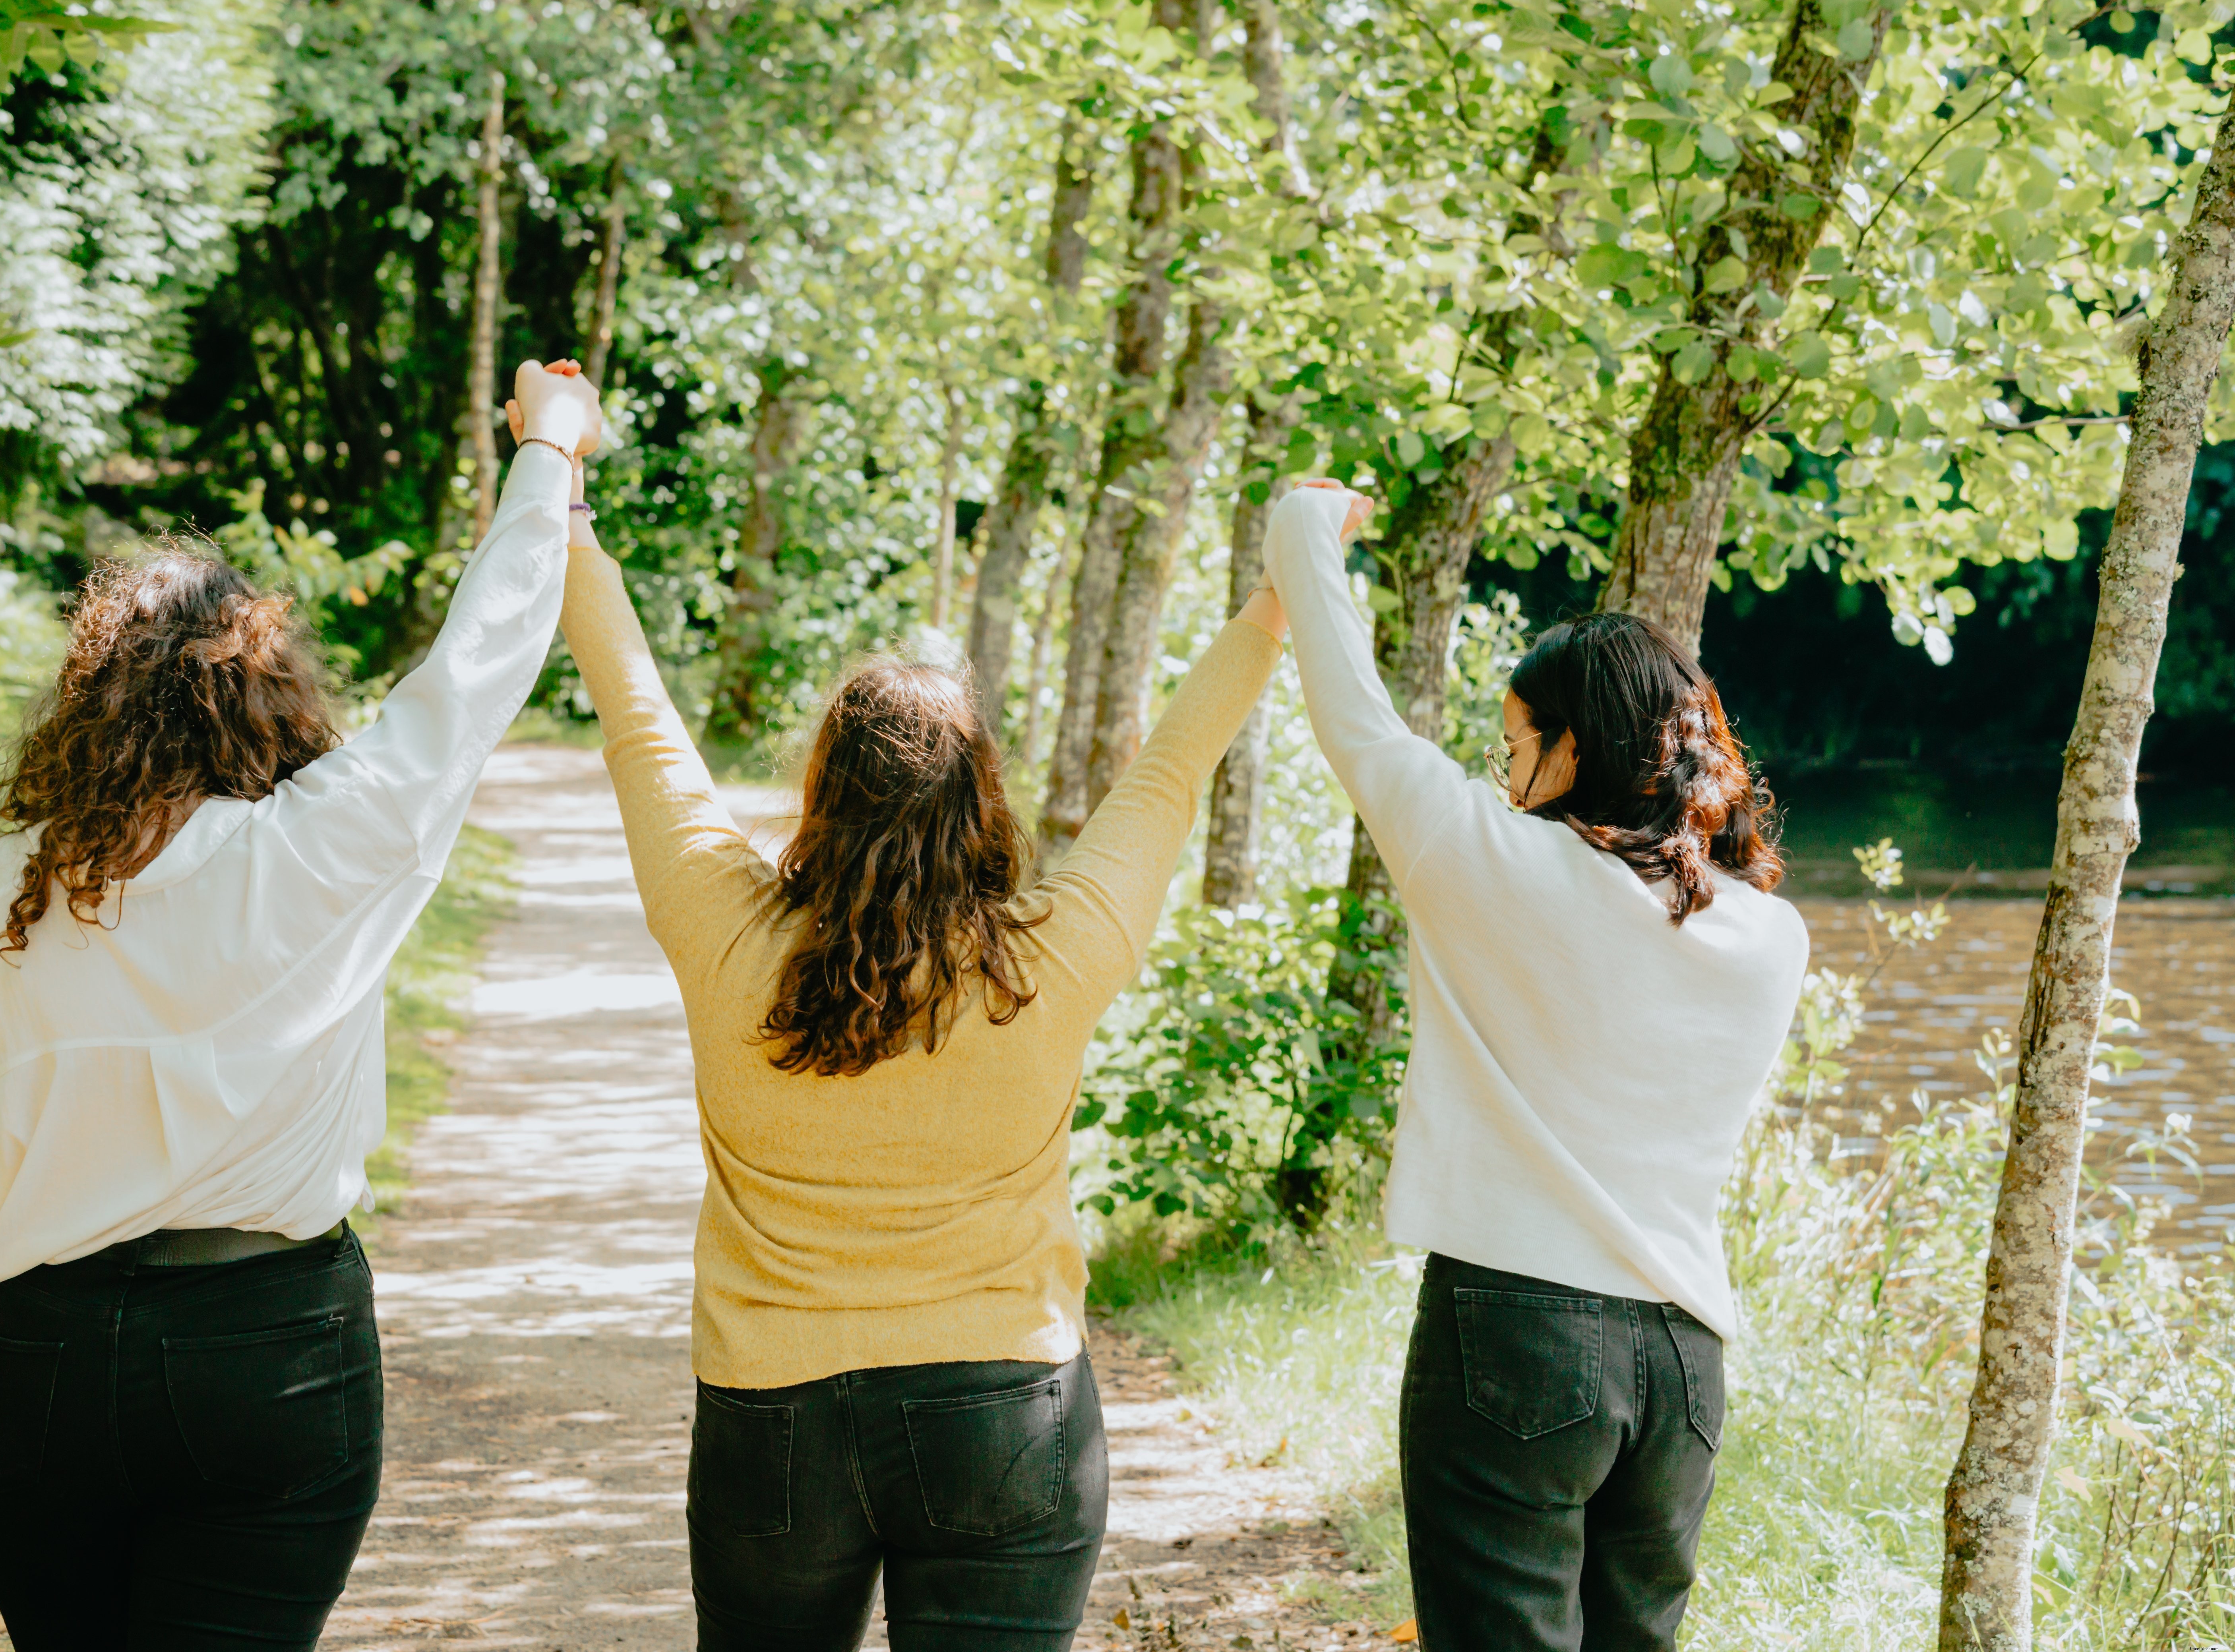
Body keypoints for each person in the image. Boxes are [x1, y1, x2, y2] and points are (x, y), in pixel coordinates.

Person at [0, 361, 604, 1650]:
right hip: (269, 1358)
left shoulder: (17, 887)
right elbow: (470, 674)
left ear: (90, 706)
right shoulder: (320, 850)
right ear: (258, 692)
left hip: (35, 1375)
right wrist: (547, 451)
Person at [557, 473, 1288, 1650]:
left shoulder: (725, 929)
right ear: (982, 800)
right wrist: (1275, 598)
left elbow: (637, 711)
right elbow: (1170, 772)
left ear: (823, 794)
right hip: (1007, 1410)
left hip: (773, 1419)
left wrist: (569, 499)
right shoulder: (1053, 956)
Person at [1262, 480, 1808, 1651]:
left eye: (1517, 748)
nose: (1504, 777)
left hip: (1515, 1330)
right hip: (1686, 1361)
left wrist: (1305, 526)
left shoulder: (1482, 859)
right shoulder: (1773, 933)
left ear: (1575, 746)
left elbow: (1351, 712)